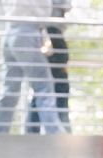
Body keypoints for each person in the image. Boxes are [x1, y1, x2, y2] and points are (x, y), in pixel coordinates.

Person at [0, 0, 64, 134]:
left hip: (10, 30)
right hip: (27, 30)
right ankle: (55, 134)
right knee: (44, 86)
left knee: (9, 89)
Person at [26, 0, 71, 133]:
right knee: (50, 88)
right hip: (46, 29)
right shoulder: (48, 29)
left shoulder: (52, 29)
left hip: (48, 29)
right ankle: (60, 134)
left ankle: (34, 133)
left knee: (46, 90)